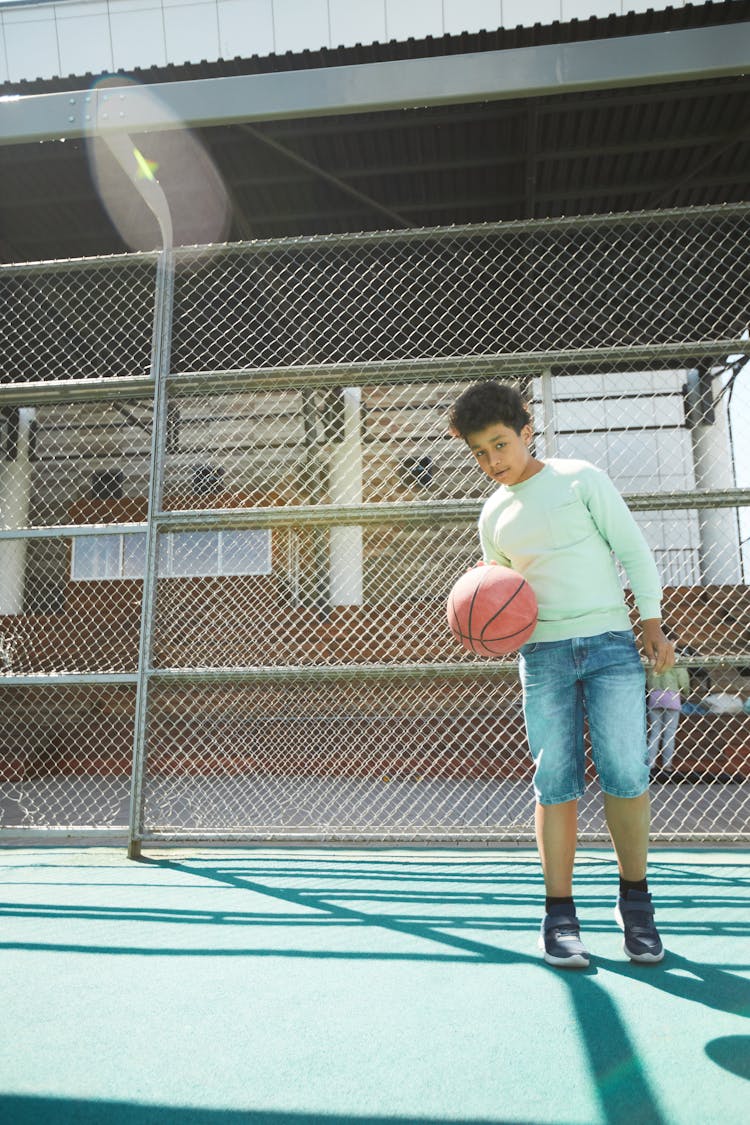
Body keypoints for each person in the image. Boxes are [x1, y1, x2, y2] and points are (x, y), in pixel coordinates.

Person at [448, 380, 674, 969]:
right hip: (543, 656)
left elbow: (633, 550)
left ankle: (636, 904)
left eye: (499, 444)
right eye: (479, 452)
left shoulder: (580, 479)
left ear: (526, 433)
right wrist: (482, 626)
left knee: (625, 769)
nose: (491, 461)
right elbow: (499, 592)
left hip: (609, 645)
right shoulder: (493, 513)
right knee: (556, 779)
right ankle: (560, 915)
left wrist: (650, 622)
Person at [646, 639, 691, 778]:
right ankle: (667, 765)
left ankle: (650, 764)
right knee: (669, 733)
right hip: (671, 696)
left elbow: (648, 678)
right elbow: (683, 679)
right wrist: (686, 692)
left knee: (655, 732)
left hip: (655, 695)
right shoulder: (675, 657)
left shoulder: (652, 657)